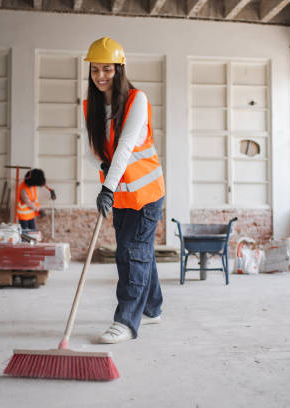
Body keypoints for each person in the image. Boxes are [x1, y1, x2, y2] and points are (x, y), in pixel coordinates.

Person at [83, 37, 165, 344]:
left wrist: (106, 186)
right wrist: (103, 173)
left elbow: (126, 148)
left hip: (146, 193)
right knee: (138, 251)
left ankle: (126, 321)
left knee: (131, 254)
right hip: (121, 192)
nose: (100, 76)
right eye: (95, 70)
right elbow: (91, 150)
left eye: (107, 69)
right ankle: (153, 309)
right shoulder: (91, 105)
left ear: (120, 69)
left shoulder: (136, 100)